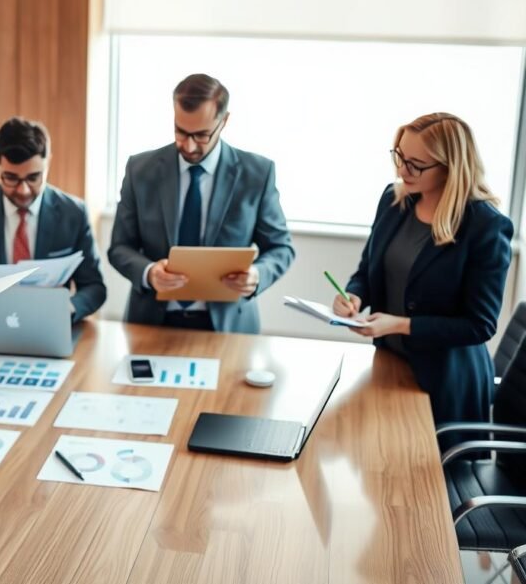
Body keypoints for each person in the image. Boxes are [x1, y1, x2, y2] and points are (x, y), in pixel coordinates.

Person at [334, 112, 512, 428]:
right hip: (391, 365)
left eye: (416, 164)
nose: (403, 169)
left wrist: (400, 325)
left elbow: (479, 325)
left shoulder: (486, 226)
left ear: (450, 169)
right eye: (399, 156)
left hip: (447, 382)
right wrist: (353, 296)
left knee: (430, 475)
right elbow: (368, 270)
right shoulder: (393, 199)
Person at [108, 73, 294, 332]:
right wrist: (149, 272)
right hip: (151, 322)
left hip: (230, 326)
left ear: (224, 121)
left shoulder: (257, 174)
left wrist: (257, 276)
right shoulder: (140, 169)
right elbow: (119, 247)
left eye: (202, 135)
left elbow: (281, 247)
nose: (189, 145)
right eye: (180, 132)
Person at [0, 116, 106, 322]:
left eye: (33, 178)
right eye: (11, 178)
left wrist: (68, 308)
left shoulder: (74, 213)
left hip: (47, 324)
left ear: (47, 163)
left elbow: (95, 287)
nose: (23, 190)